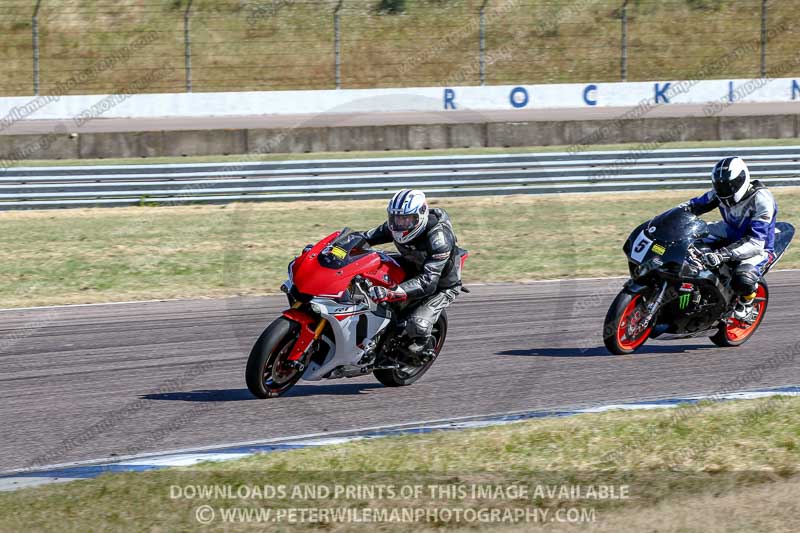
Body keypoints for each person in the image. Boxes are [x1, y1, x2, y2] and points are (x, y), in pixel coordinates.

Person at [361, 189, 465, 361]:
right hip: (412, 266)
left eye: (406, 219)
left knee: (417, 325)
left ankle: (421, 347)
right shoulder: (395, 226)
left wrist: (393, 292)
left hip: (440, 284)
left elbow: (428, 282)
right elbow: (365, 237)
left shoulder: (439, 238)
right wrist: (335, 247)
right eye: (396, 218)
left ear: (420, 215)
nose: (400, 224)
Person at [681, 156, 777, 322]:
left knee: (743, 276)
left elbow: (755, 242)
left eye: (729, 186)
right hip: (729, 231)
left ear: (741, 180)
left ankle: (747, 305)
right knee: (687, 238)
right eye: (720, 186)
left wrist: (722, 255)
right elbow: (690, 206)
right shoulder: (719, 194)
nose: (724, 190)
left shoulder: (762, 200)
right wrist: (668, 218)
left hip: (758, 246)